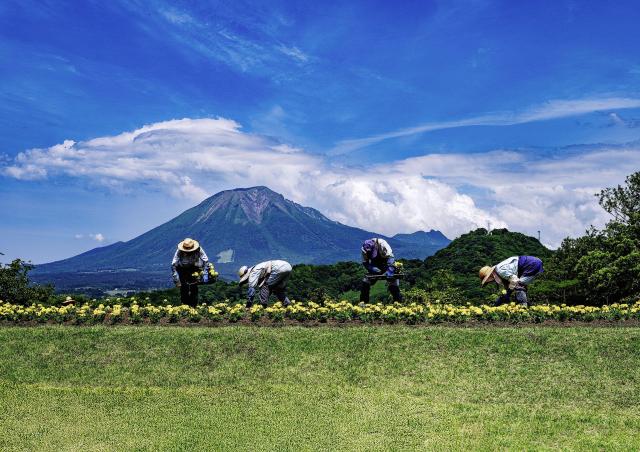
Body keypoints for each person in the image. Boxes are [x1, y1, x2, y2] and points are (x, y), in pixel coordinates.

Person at [479, 255, 544, 307]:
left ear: (490, 276)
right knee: (521, 286)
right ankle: (528, 306)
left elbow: (514, 280)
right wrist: (506, 295)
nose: (490, 282)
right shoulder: (499, 271)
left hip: (531, 264)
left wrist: (508, 293)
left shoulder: (500, 271)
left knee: (519, 285)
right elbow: (510, 283)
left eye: (488, 281)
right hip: (533, 263)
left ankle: (523, 307)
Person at [360, 238, 402, 303]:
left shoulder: (382, 244)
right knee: (365, 282)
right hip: (374, 264)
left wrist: (390, 270)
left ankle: (398, 303)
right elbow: (365, 263)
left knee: (393, 282)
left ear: (376, 246)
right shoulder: (364, 250)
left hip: (387, 263)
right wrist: (372, 269)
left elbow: (391, 257)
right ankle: (363, 303)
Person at [171, 238, 209, 306]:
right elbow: (174, 263)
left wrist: (205, 273)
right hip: (182, 269)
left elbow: (205, 260)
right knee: (184, 288)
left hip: (194, 268)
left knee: (194, 287)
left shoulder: (198, 249)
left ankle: (193, 305)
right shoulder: (179, 251)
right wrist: (176, 277)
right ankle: (184, 305)